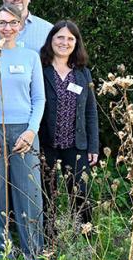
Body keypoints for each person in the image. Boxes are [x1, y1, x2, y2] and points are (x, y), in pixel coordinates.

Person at [0, 4, 46, 260]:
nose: (7, 27)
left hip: (24, 132)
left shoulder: (30, 57)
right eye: (2, 22)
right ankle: (2, 251)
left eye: (12, 22)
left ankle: (32, 254)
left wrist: (31, 131)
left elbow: (39, 98)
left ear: (20, 26)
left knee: (29, 193)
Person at [39, 20, 99, 236]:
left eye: (70, 38)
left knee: (81, 194)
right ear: (51, 40)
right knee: (48, 194)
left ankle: (86, 236)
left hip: (76, 144)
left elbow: (91, 111)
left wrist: (93, 146)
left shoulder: (83, 73)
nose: (64, 42)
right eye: (60, 37)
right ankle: (49, 239)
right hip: (47, 144)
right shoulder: (40, 69)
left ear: (76, 43)